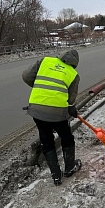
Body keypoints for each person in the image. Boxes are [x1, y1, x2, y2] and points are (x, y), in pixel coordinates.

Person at [22, 49, 82, 185]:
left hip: (36, 109)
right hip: (58, 114)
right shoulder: (73, 74)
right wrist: (72, 110)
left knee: (46, 140)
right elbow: (71, 100)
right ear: (74, 64)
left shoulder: (45, 61)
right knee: (67, 138)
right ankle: (70, 168)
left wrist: (39, 85)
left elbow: (26, 76)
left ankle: (56, 175)